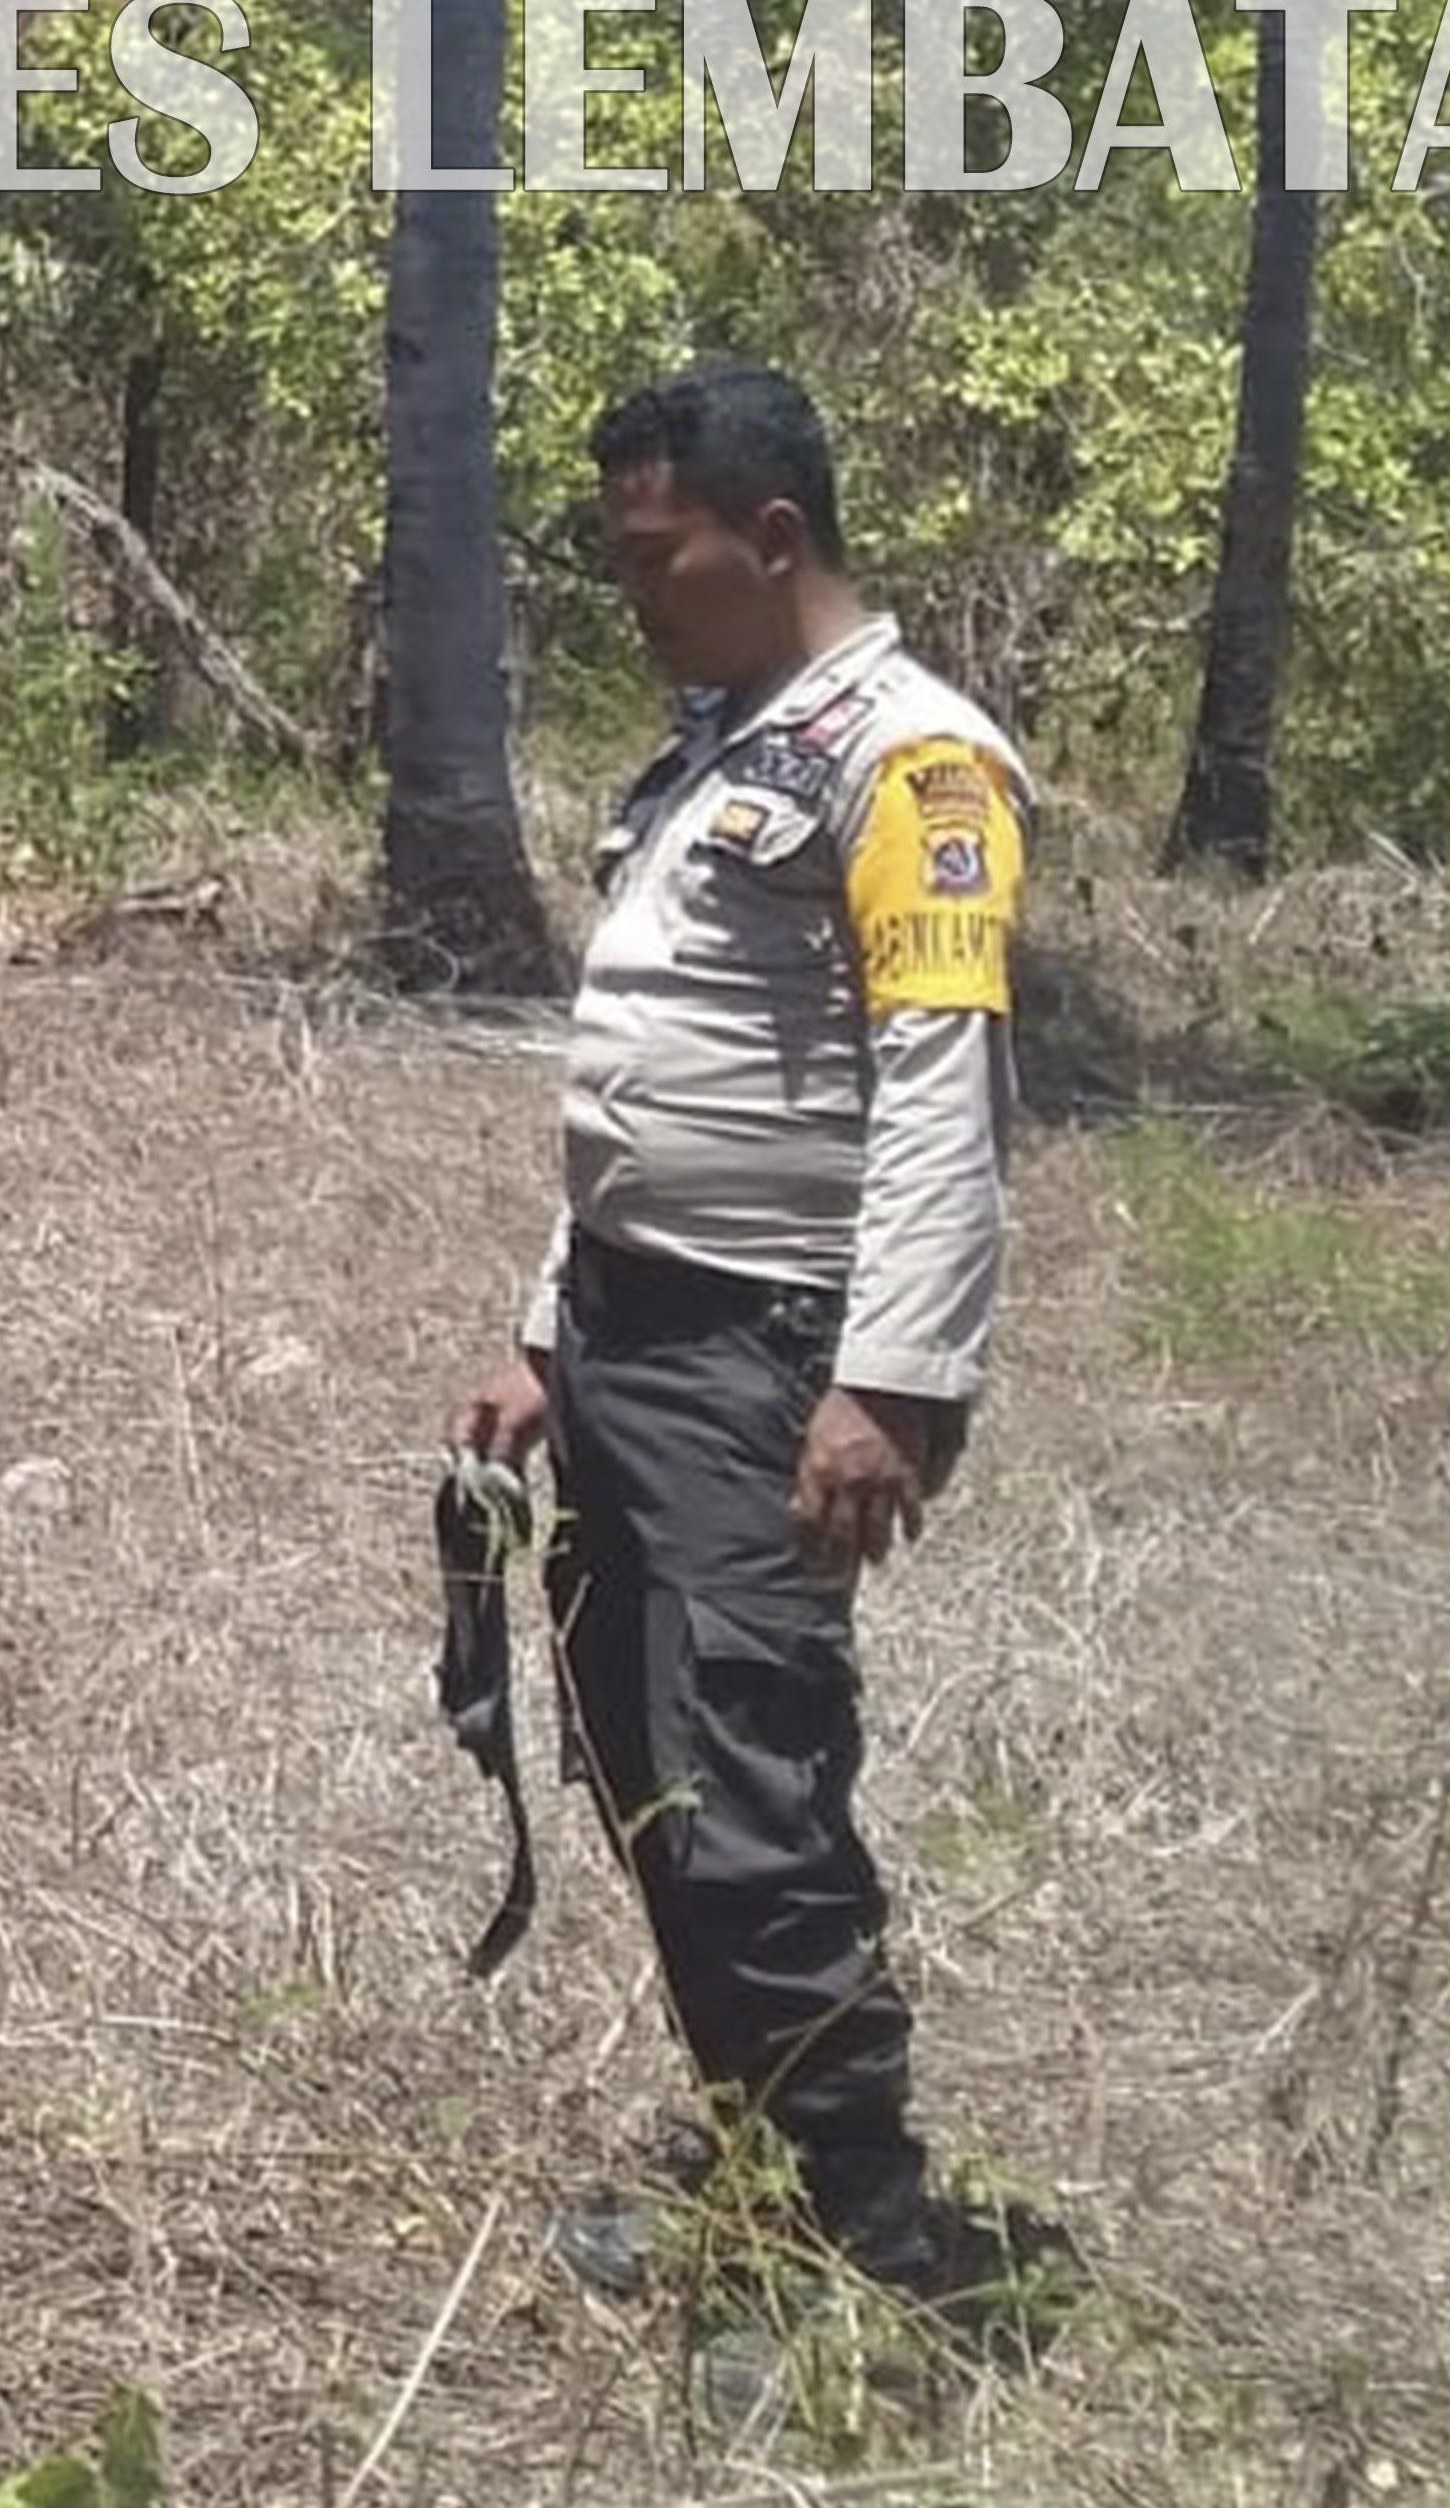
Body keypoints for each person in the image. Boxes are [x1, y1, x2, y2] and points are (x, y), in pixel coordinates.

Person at [447, 357, 1065, 2333]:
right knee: (645, 1766)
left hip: (764, 1354)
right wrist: (552, 1330)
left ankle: (860, 2263)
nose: (634, 591)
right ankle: (756, 2167)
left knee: (748, 1793)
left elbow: (939, 1086)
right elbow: (655, 1083)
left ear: (771, 536)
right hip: (633, 1329)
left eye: (659, 554)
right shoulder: (730, 746)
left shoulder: (915, 764)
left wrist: (891, 1380)